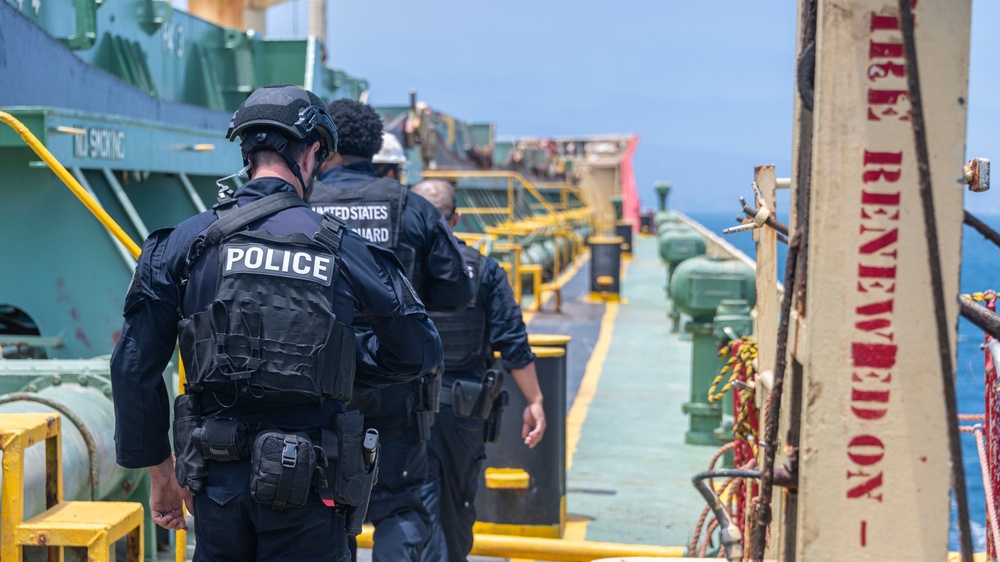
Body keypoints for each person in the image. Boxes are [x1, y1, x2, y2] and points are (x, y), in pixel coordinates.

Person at [110, 84, 442, 562]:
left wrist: (161, 474)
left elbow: (134, 367)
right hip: (312, 486)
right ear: (310, 155)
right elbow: (417, 351)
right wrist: (335, 359)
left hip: (215, 483)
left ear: (247, 152)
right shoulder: (344, 248)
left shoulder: (184, 242)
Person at [308, 99, 475, 561]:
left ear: (327, 145)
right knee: (402, 504)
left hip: (319, 381)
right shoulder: (413, 208)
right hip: (400, 383)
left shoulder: (303, 205)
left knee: (314, 499)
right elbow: (457, 293)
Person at [411, 179, 547, 562]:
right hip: (461, 409)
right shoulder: (484, 270)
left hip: (400, 405)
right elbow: (513, 342)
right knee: (455, 509)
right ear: (456, 218)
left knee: (407, 507)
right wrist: (534, 400)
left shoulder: (390, 267)